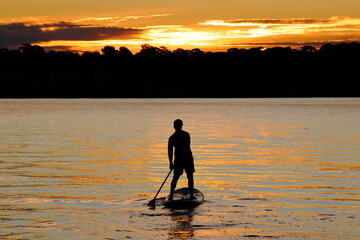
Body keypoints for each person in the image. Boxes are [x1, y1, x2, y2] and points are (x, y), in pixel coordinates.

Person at [168, 119, 196, 200]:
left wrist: (171, 163)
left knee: (177, 177)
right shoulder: (186, 134)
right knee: (188, 176)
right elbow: (186, 146)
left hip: (181, 159)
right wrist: (171, 163)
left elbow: (170, 152)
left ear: (174, 126)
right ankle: (190, 195)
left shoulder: (172, 138)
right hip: (186, 159)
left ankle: (171, 195)